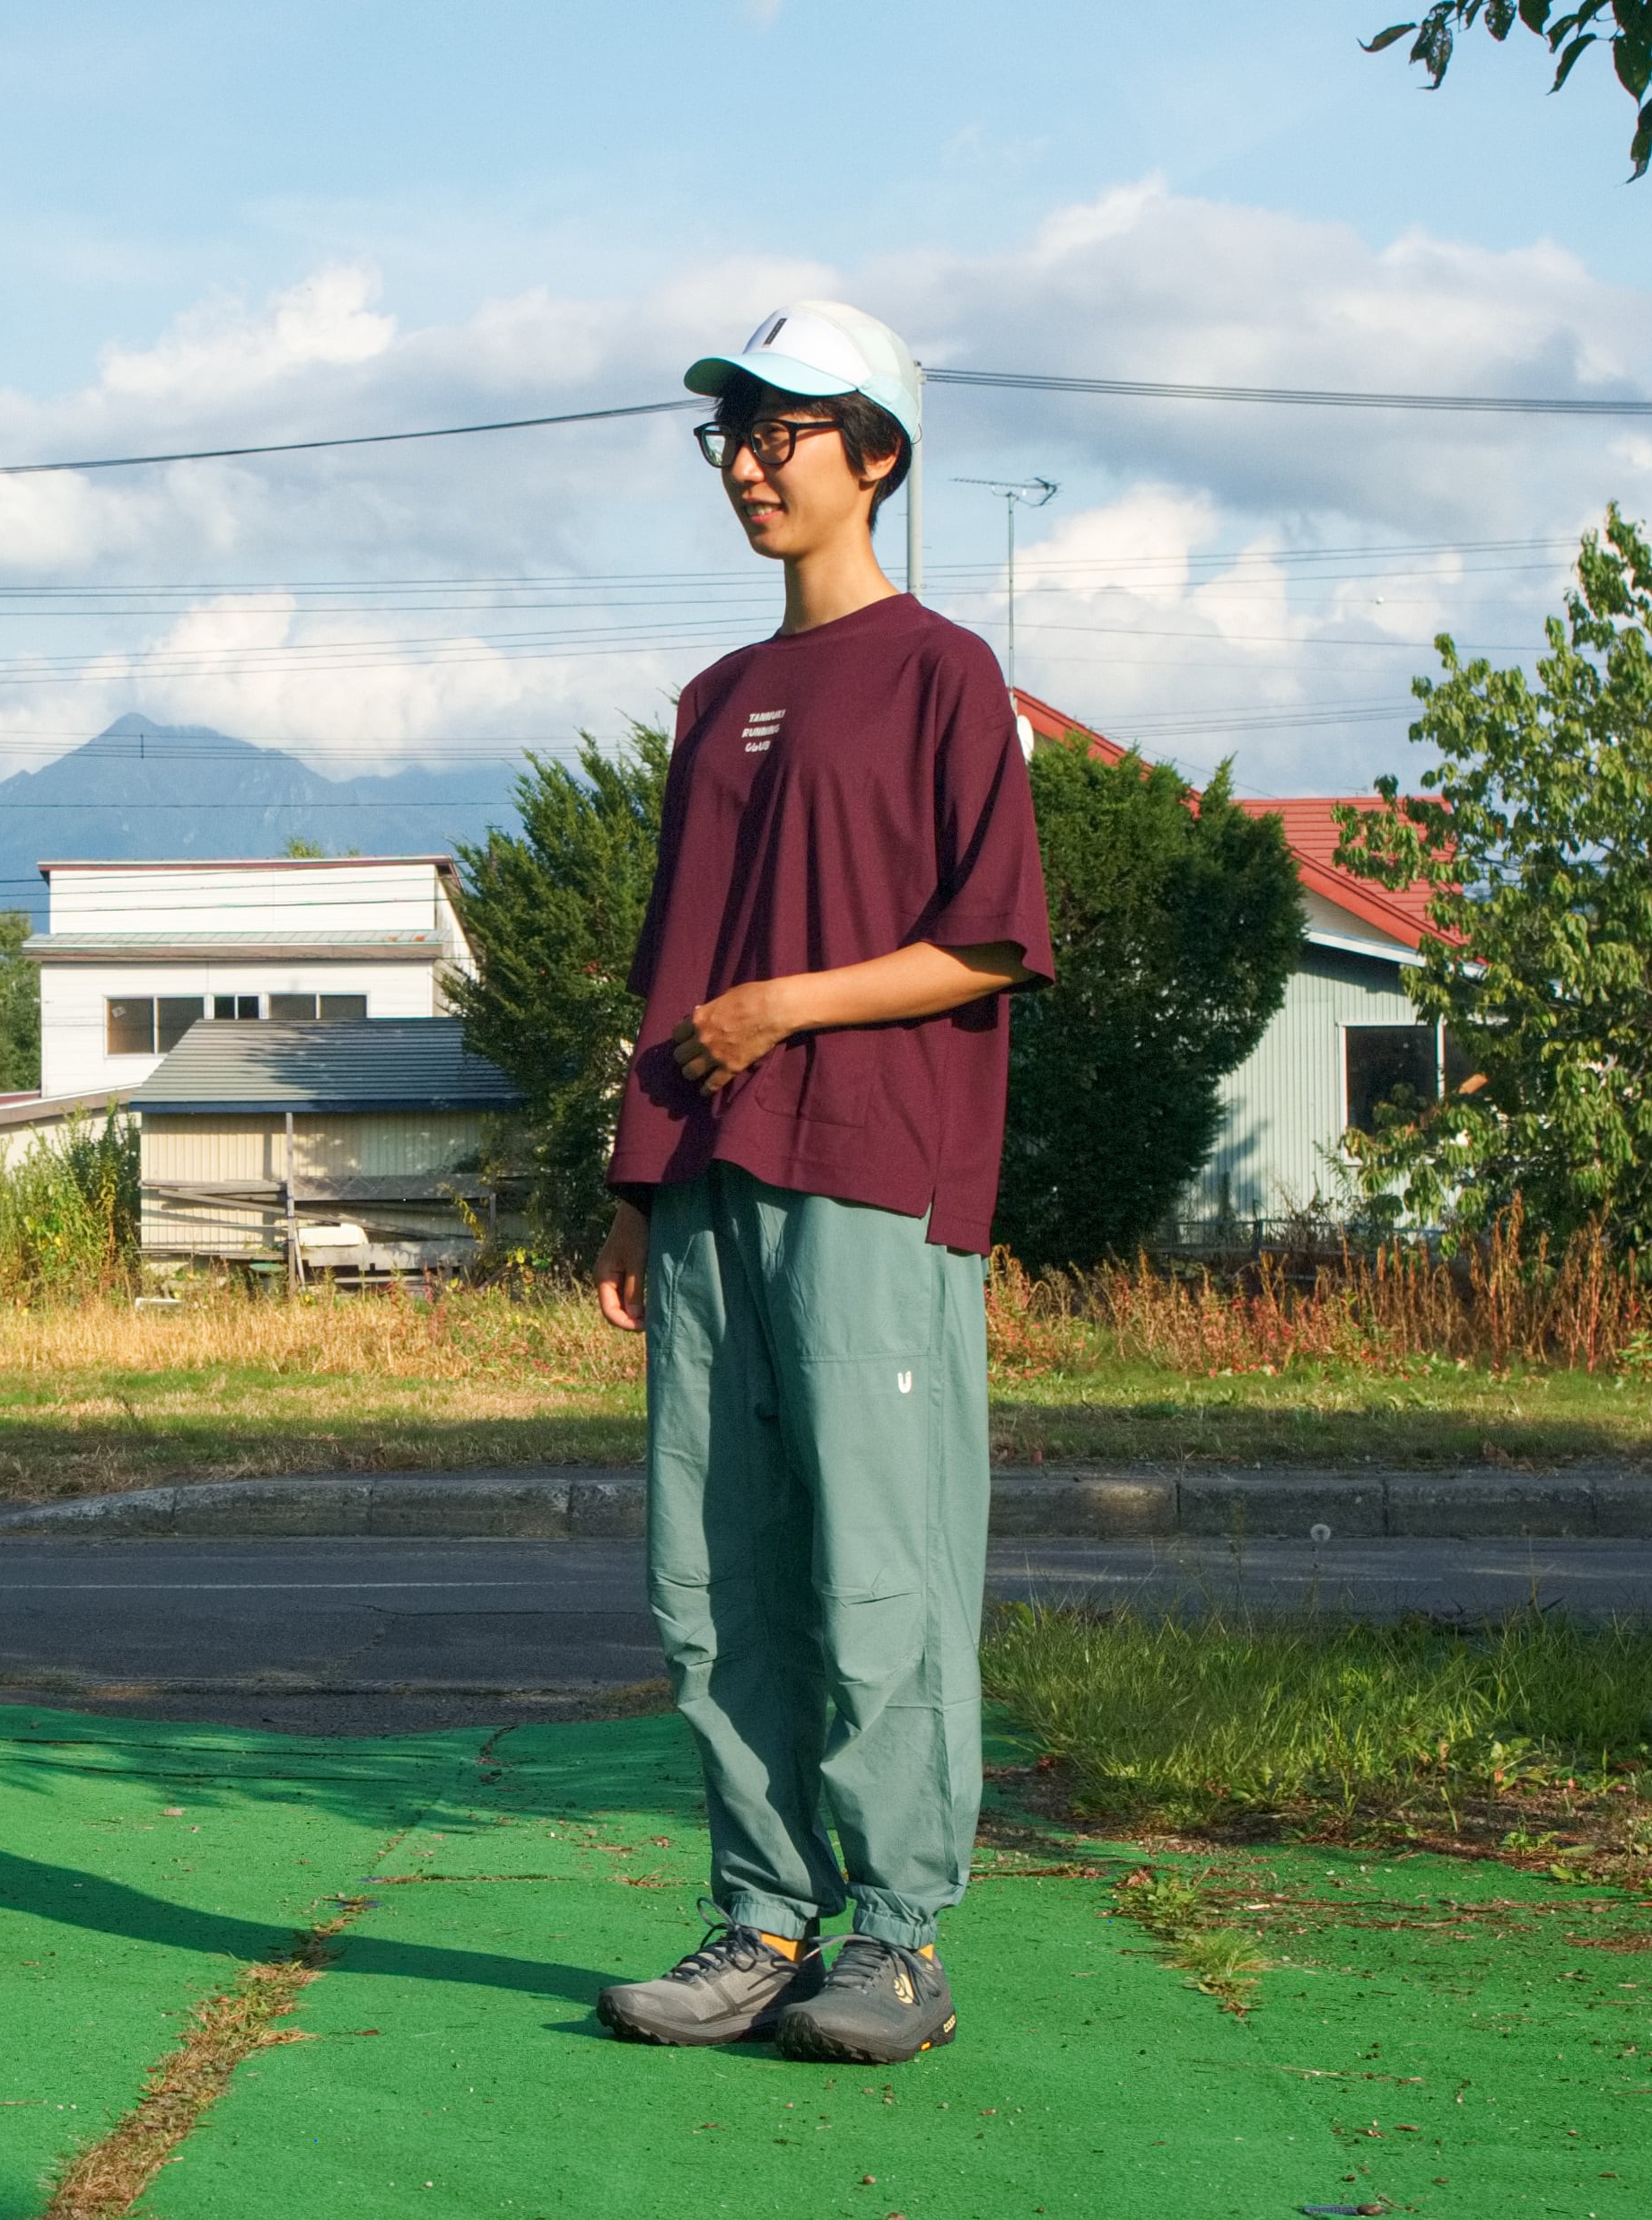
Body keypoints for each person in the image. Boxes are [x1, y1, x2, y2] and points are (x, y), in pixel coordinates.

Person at [589, 301, 1054, 2065]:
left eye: (785, 430)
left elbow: (993, 938)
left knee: (882, 1564)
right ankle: (761, 1916)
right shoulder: (717, 703)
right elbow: (669, 959)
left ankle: (903, 1937)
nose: (748, 461)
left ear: (877, 451)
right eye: (733, 433)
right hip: (705, 1180)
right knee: (709, 1572)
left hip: (874, 1171)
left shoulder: (942, 671)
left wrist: (790, 1004)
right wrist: (635, 1183)